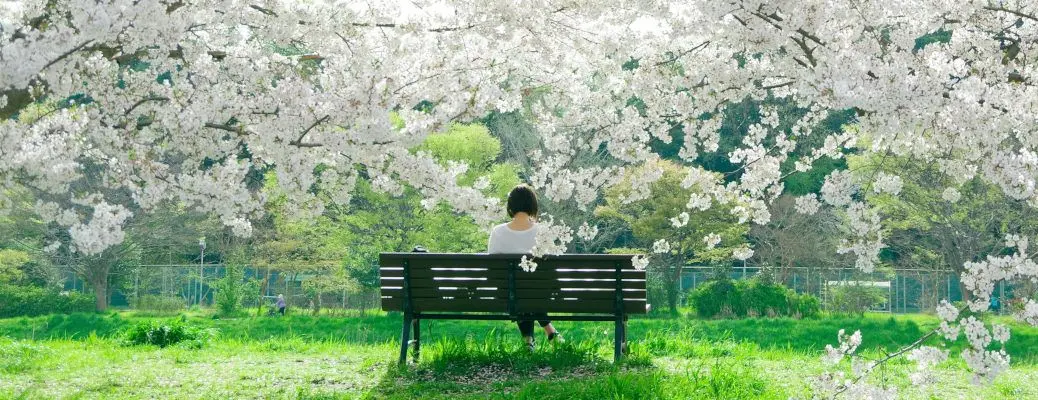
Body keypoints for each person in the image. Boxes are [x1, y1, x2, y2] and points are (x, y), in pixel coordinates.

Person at [487, 184, 564, 351]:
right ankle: (550, 332)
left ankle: (529, 340)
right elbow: (550, 270)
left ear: (510, 206)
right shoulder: (543, 231)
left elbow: (493, 271)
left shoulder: (497, 232)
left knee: (518, 287)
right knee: (530, 286)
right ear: (532, 205)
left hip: (505, 293)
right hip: (541, 292)